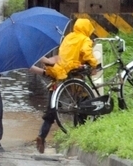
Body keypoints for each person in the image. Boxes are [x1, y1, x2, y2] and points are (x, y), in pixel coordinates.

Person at [35, 18, 100, 154]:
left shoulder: (68, 37)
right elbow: (87, 53)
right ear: (87, 29)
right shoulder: (85, 39)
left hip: (60, 72)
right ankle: (80, 130)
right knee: (83, 101)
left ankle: (42, 135)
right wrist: (94, 64)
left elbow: (62, 55)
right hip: (74, 72)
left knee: (52, 108)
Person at [0, 56, 54, 153]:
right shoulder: (13, 50)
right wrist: (47, 69)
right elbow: (31, 65)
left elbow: (28, 66)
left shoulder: (11, 50)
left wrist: (44, 72)